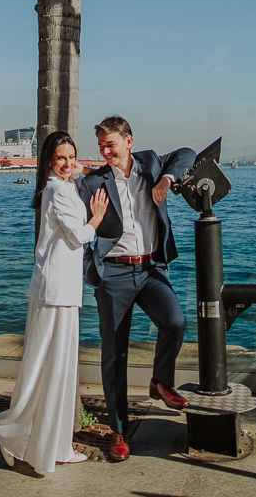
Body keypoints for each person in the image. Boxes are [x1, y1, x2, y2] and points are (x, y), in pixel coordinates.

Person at [0, 131, 108, 475]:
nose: (68, 164)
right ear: (49, 162)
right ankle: (16, 434)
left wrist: (80, 170)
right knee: (51, 368)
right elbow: (78, 236)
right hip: (56, 292)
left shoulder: (61, 186)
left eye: (72, 157)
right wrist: (96, 219)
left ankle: (52, 445)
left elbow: (79, 176)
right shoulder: (57, 191)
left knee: (55, 369)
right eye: (61, 159)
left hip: (59, 289)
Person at [78, 116, 195, 461]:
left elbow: (187, 154)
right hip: (113, 274)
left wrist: (168, 180)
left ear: (129, 141)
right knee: (114, 354)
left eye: (110, 145)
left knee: (174, 322)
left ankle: (160, 381)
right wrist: (90, 267)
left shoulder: (152, 163)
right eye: (101, 146)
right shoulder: (94, 182)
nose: (105, 152)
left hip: (150, 268)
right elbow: (77, 229)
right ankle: (118, 431)